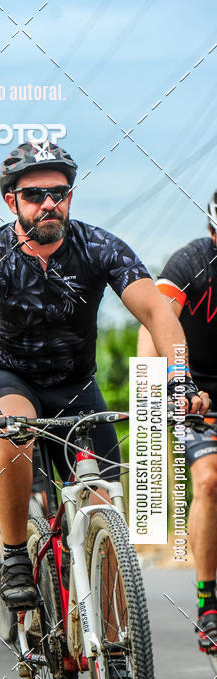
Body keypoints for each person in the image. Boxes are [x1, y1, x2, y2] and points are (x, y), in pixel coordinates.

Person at [0, 140, 209, 612]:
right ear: (11, 201)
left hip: (76, 386)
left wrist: (179, 377)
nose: (49, 203)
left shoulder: (99, 246)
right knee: (16, 430)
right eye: (34, 194)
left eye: (60, 192)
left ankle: (116, 640)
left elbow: (156, 311)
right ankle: (14, 555)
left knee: (103, 512)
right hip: (11, 377)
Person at [138, 190, 217, 654]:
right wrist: (160, 390)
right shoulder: (191, 263)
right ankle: (208, 603)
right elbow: (154, 324)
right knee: (208, 480)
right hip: (195, 394)